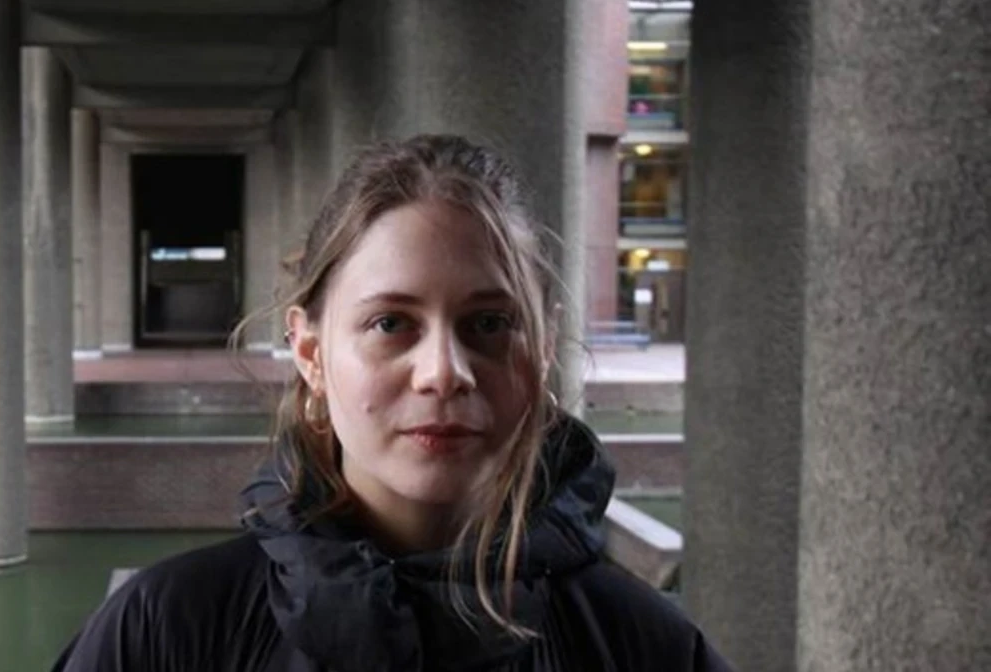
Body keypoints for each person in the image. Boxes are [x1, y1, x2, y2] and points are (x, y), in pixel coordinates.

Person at [52, 135, 729, 671]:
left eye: (489, 324)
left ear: (543, 350)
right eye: (390, 324)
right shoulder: (165, 633)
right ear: (311, 354)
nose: (443, 373)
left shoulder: (649, 649)